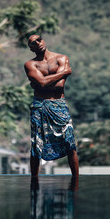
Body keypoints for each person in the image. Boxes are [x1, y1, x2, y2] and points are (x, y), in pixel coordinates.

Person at [24, 35, 79, 178]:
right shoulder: (30, 64)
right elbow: (41, 83)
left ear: (43, 40)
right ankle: (34, 181)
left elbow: (59, 85)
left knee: (70, 142)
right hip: (39, 106)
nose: (37, 43)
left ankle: (76, 180)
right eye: (33, 43)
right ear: (31, 48)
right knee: (36, 144)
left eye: (39, 39)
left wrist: (41, 82)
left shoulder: (61, 58)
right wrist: (64, 73)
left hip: (58, 104)